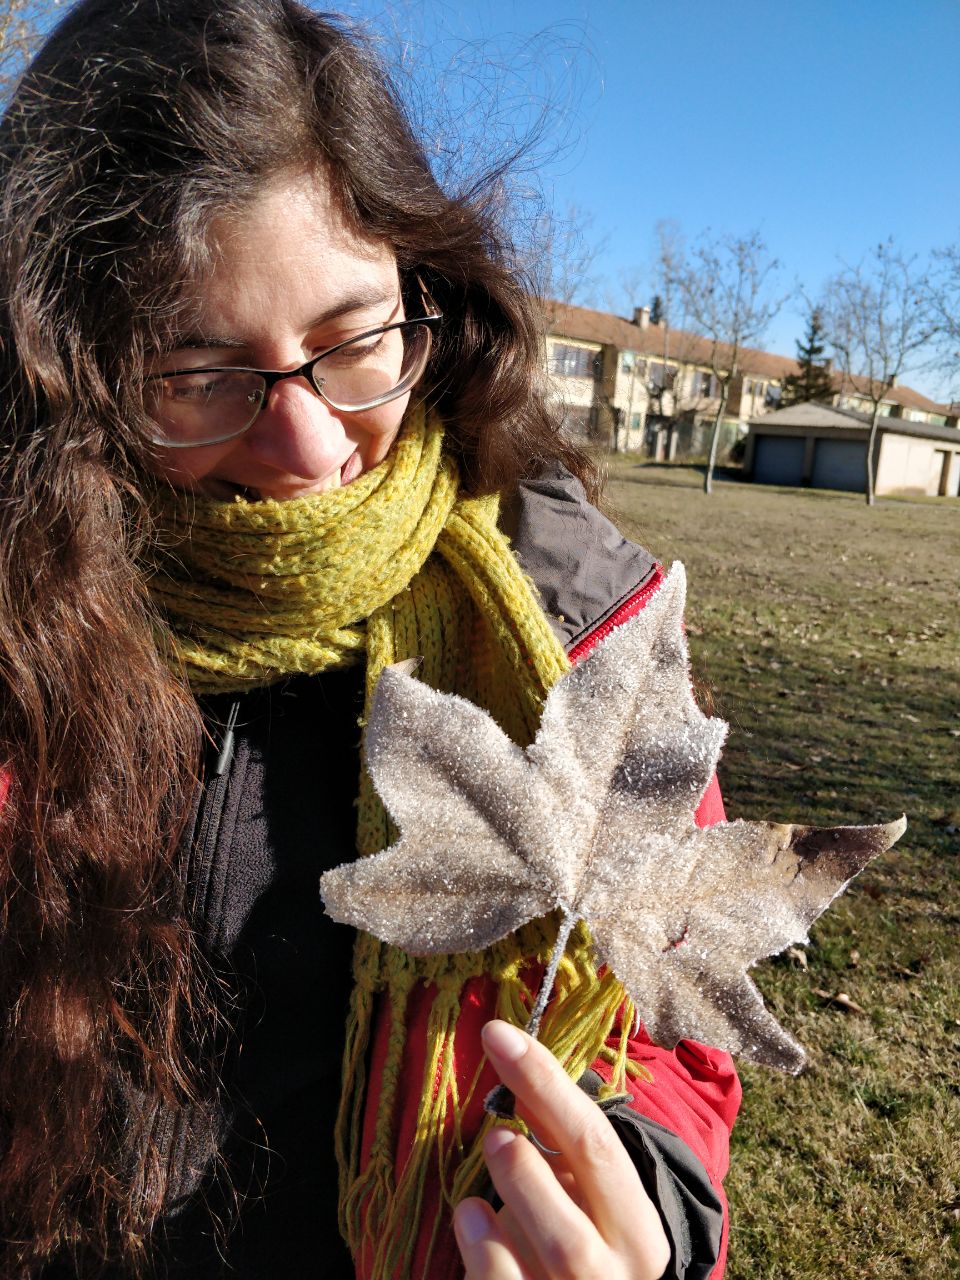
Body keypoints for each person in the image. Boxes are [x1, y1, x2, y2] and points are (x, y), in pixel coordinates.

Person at [0, 1, 740, 1276]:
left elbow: (670, 1024)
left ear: (426, 290)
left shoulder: (581, 623)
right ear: (77, 375)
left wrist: (642, 1212)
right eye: (197, 372)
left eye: (352, 341)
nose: (310, 447)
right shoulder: (27, 618)